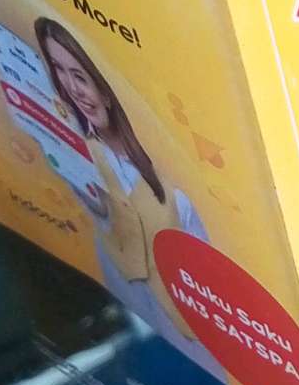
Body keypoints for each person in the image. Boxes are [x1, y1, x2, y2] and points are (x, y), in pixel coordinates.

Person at [34, 17, 207, 331]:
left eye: (79, 76)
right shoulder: (76, 157)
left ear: (106, 90)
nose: (72, 90)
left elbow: (207, 271)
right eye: (58, 70)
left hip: (194, 333)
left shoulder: (171, 173)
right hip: (131, 319)